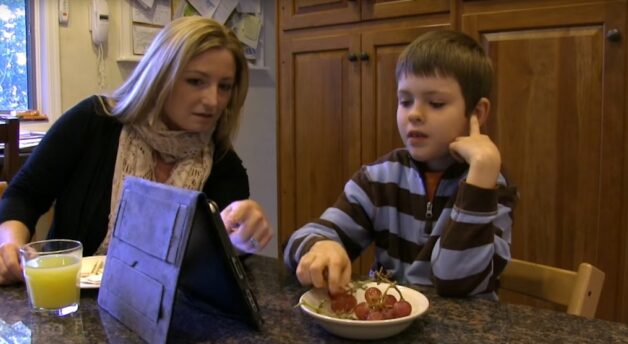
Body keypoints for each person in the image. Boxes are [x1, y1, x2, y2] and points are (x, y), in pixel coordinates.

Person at [0, 16, 273, 285]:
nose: (213, 100)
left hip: (163, 314)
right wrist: (10, 243)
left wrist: (241, 239)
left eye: (224, 87)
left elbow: (218, 263)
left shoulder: (224, 165)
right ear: (159, 76)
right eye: (195, 81)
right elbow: (25, 195)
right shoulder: (92, 121)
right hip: (70, 299)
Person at [283, 30, 518, 298]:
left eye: (436, 103)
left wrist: (479, 180)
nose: (414, 114)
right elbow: (299, 240)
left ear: (476, 113)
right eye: (405, 101)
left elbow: (458, 281)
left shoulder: (489, 184)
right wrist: (321, 246)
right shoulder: (379, 178)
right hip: (387, 324)